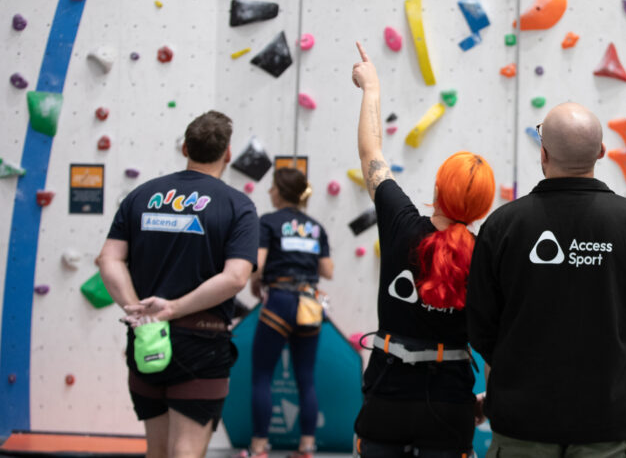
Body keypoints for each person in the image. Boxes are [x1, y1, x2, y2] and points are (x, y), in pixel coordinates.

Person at [466, 102, 626, 457]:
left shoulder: (502, 227)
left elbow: (481, 325)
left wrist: (516, 370)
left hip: (521, 425)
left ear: (542, 153)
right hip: (606, 423)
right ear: (603, 152)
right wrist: (615, 368)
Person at [351, 41, 496, 458]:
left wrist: (372, 89)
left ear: (435, 190)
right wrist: (491, 400)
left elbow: (371, 154)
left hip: (386, 394)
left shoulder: (399, 220)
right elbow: (493, 338)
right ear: (483, 207)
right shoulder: (487, 253)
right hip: (450, 403)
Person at [97, 110, 259, 458]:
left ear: (185, 147)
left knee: (156, 452)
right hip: (201, 342)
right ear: (227, 153)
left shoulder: (140, 196)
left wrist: (135, 308)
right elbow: (236, 278)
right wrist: (173, 309)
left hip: (145, 337)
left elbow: (107, 259)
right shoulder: (238, 206)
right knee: (185, 451)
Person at [240, 167, 334, 458]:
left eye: (272, 187)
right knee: (305, 377)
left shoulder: (267, 222)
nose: (269, 192)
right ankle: (307, 446)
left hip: (279, 301)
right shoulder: (316, 227)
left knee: (262, 375)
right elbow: (327, 270)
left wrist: (257, 286)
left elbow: (258, 263)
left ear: (280, 191)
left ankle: (259, 448)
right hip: (309, 302)